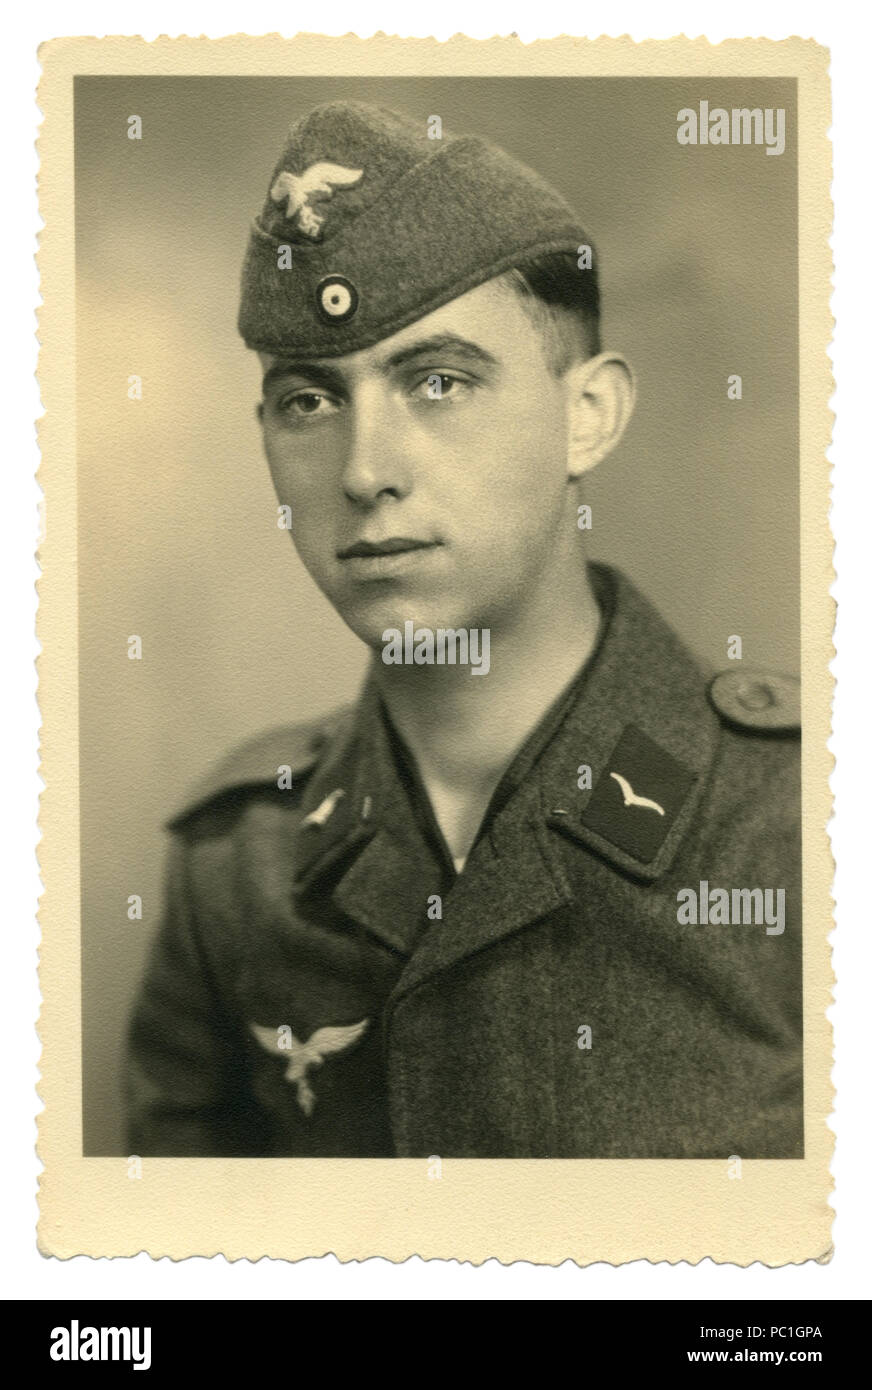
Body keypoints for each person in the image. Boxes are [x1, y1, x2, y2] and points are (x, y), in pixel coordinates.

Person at [126, 101, 802, 1159]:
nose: (362, 470)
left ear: (589, 415)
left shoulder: (799, 825)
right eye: (308, 401)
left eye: (437, 382)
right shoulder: (237, 864)